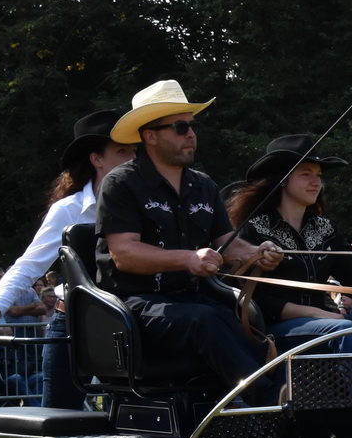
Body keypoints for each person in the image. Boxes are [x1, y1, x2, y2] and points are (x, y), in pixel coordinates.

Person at [96, 80, 283, 401]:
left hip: (194, 302)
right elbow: (123, 254)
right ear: (150, 136)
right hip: (133, 307)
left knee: (245, 318)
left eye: (192, 127)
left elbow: (228, 244)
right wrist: (188, 259)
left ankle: (257, 410)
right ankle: (269, 400)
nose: (191, 135)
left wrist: (258, 252)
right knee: (206, 321)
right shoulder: (121, 184)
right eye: (180, 127)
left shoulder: (204, 185)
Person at [0, 109, 135, 408]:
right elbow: (29, 264)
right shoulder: (69, 209)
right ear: (96, 159)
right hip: (74, 322)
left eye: (135, 150)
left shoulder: (147, 204)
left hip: (129, 320)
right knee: (59, 417)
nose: (133, 158)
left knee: (131, 416)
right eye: (122, 150)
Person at [228, 135, 352, 353]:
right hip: (274, 331)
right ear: (282, 179)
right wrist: (315, 313)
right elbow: (254, 299)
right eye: (306, 174)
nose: (316, 182)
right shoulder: (251, 230)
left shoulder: (327, 229)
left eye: (318, 175)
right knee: (342, 329)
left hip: (331, 322)